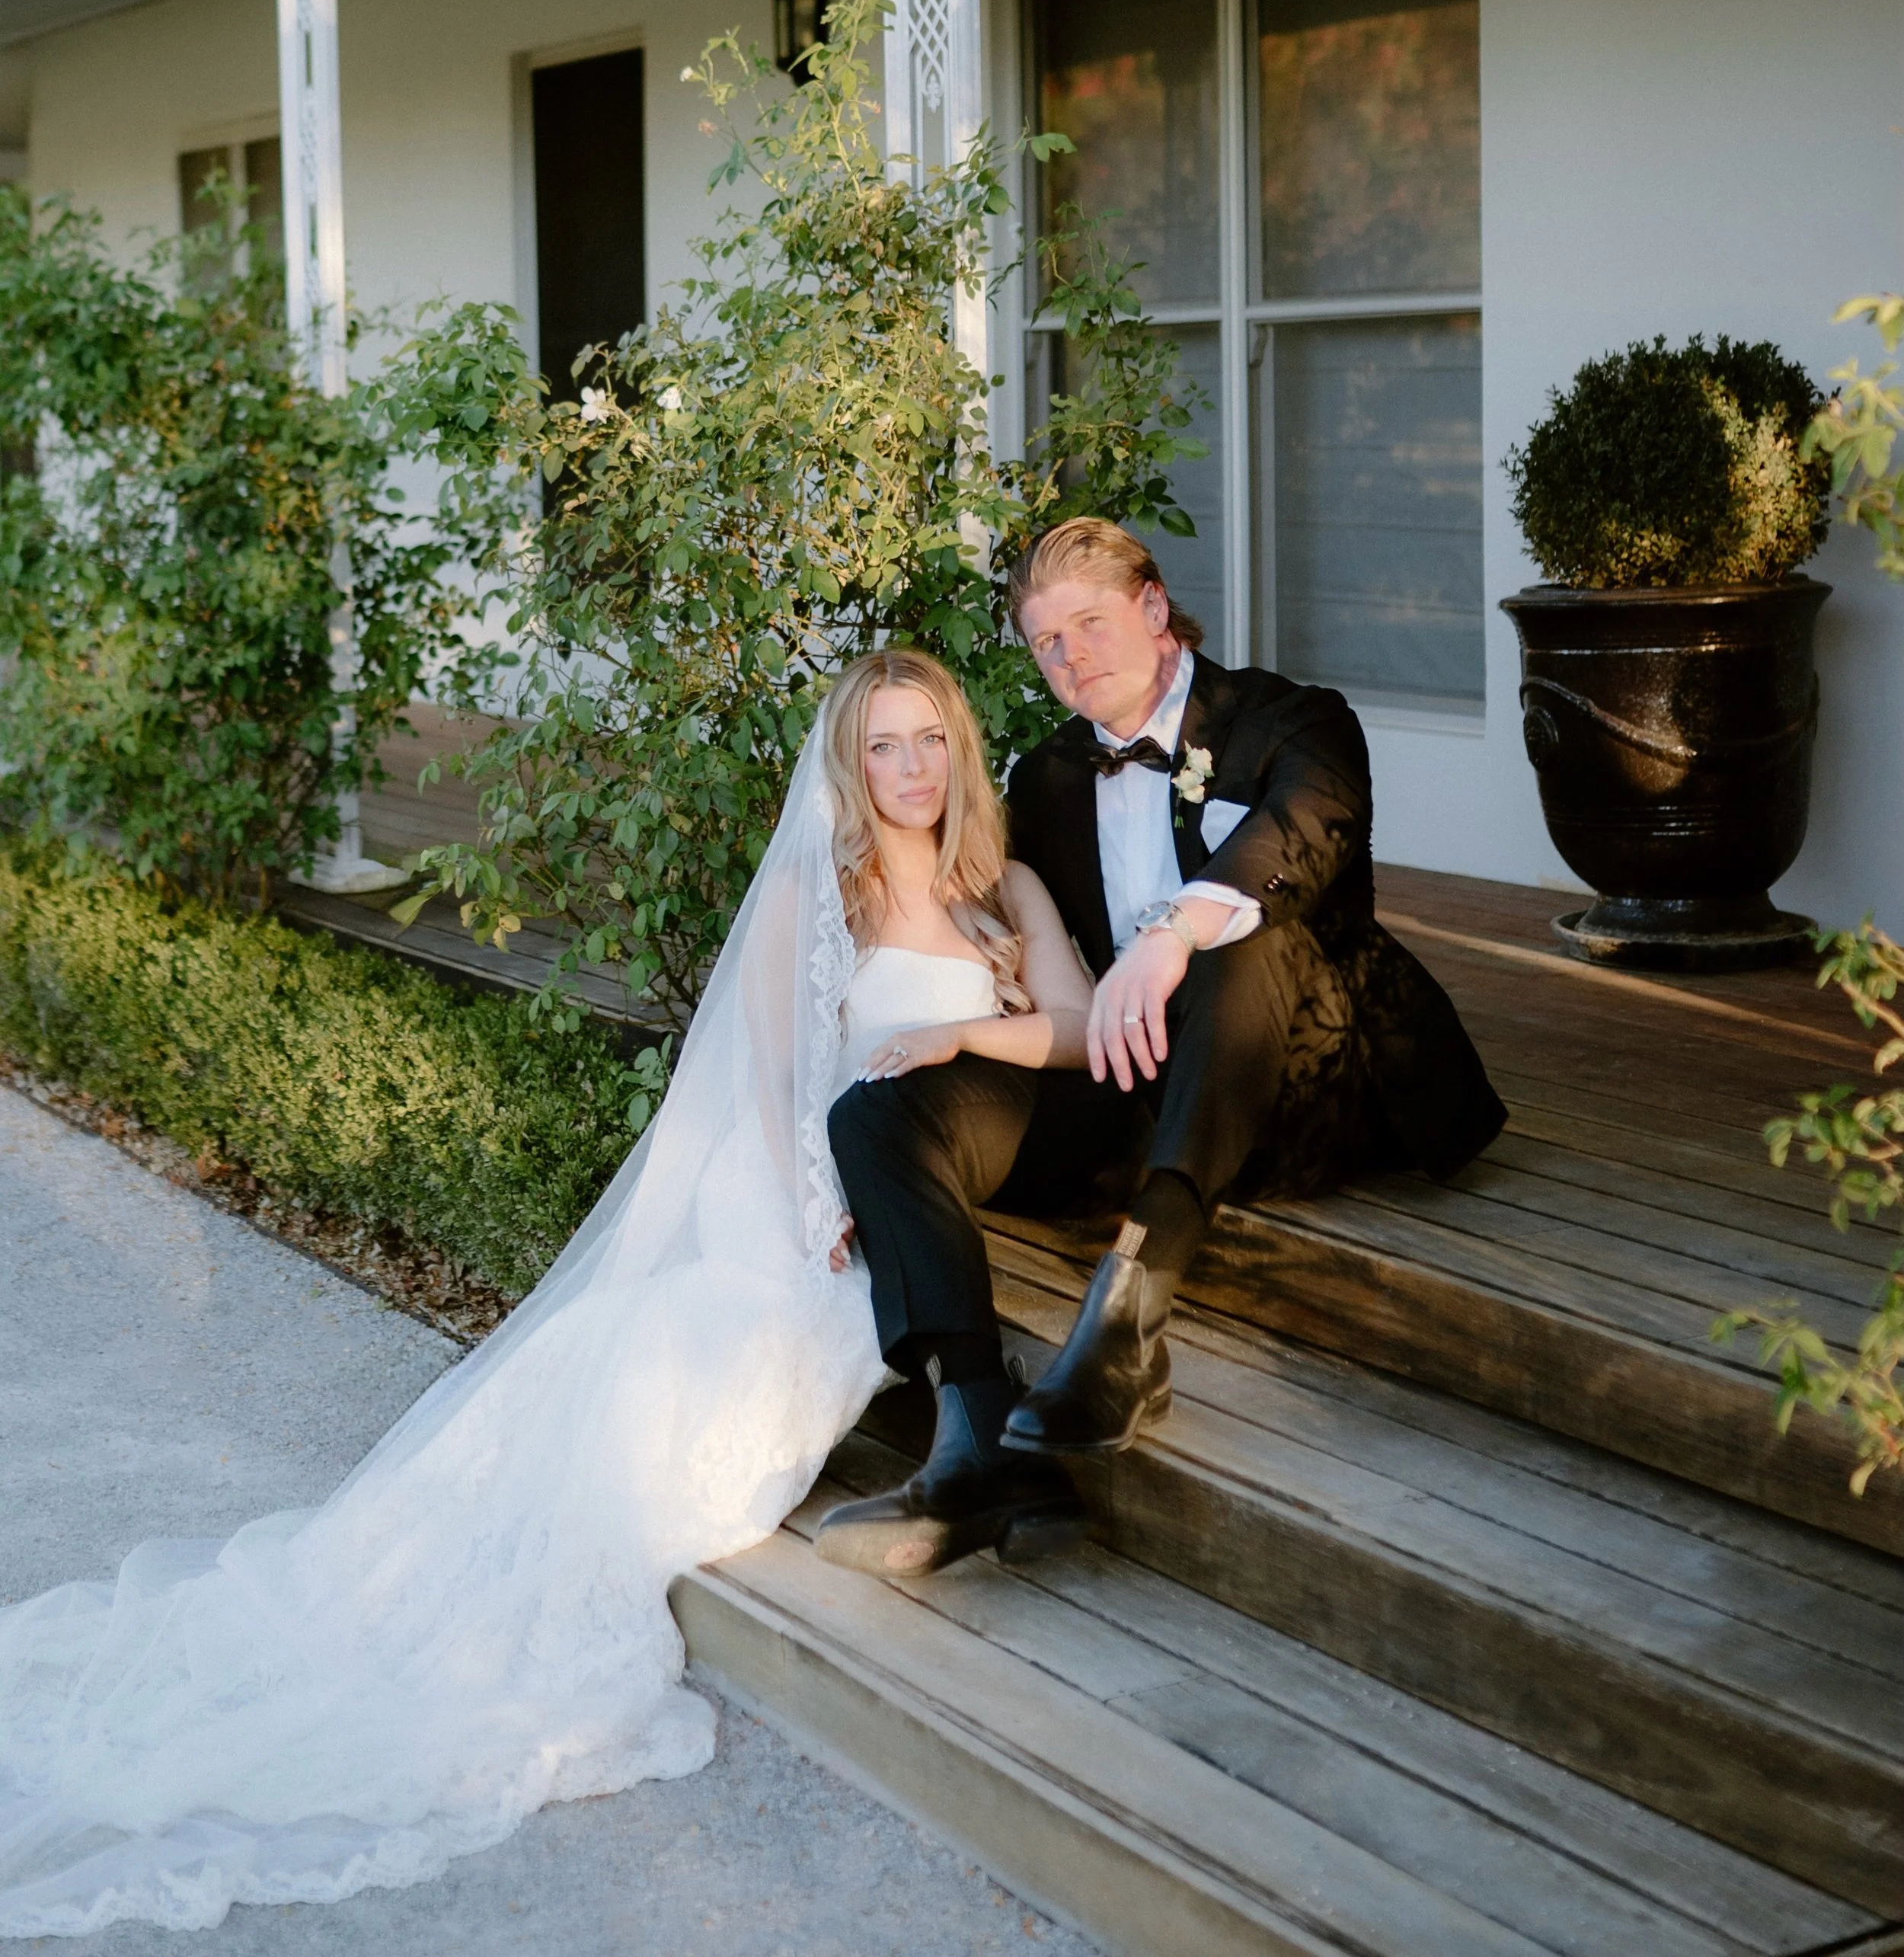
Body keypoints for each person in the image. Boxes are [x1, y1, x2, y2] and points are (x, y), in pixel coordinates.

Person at [0, 648, 1071, 1939]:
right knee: (725, 1363)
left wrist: (962, 1032)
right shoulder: (816, 895)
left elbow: (1071, 1031)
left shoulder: (1001, 890)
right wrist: (812, 1206)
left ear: (961, 748)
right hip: (806, 1187)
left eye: (930, 739)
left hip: (914, 1172)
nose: (911, 769)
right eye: (883, 745)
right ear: (849, 764)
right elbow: (775, 1082)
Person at [823, 517, 1506, 1524]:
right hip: (1135, 1090)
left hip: (1301, 1086)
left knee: (1242, 937)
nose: (1071, 656)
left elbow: (1307, 827)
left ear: (1153, 607)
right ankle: (974, 1432)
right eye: (1047, 642)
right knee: (878, 1112)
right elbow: (1019, 948)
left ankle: (1128, 1320)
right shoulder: (1047, 779)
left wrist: (1174, 932)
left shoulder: (1292, 720)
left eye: (1090, 624)